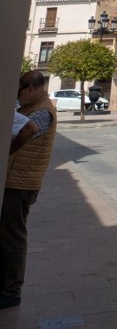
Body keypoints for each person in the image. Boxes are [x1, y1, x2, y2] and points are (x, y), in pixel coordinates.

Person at [0, 71, 57, 310]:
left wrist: (9, 151)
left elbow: (30, 130)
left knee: (13, 238)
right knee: (7, 236)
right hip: (15, 179)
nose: (18, 94)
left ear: (31, 87)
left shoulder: (43, 110)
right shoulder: (29, 107)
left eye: (20, 89)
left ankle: (11, 291)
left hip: (21, 183)